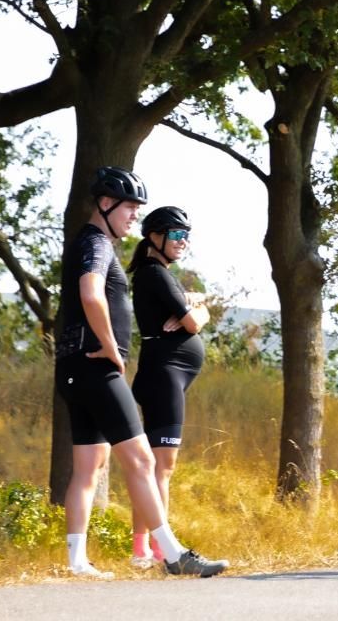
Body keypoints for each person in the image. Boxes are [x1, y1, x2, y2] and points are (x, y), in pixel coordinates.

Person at [54, 166, 228, 578]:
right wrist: (112, 347)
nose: (134, 215)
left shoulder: (88, 243)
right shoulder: (96, 244)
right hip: (96, 368)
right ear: (106, 203)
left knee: (88, 467)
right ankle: (173, 554)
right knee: (142, 460)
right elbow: (90, 294)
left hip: (75, 369)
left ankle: (77, 562)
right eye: (130, 207)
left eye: (137, 208)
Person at [128, 206, 210, 567]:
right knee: (162, 468)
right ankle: (160, 551)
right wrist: (195, 315)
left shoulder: (160, 274)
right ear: (154, 236)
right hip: (163, 376)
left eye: (187, 237)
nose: (184, 243)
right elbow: (192, 323)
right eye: (177, 235)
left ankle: (142, 550)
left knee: (153, 468)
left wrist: (197, 308)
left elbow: (197, 308)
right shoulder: (154, 274)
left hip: (166, 375)